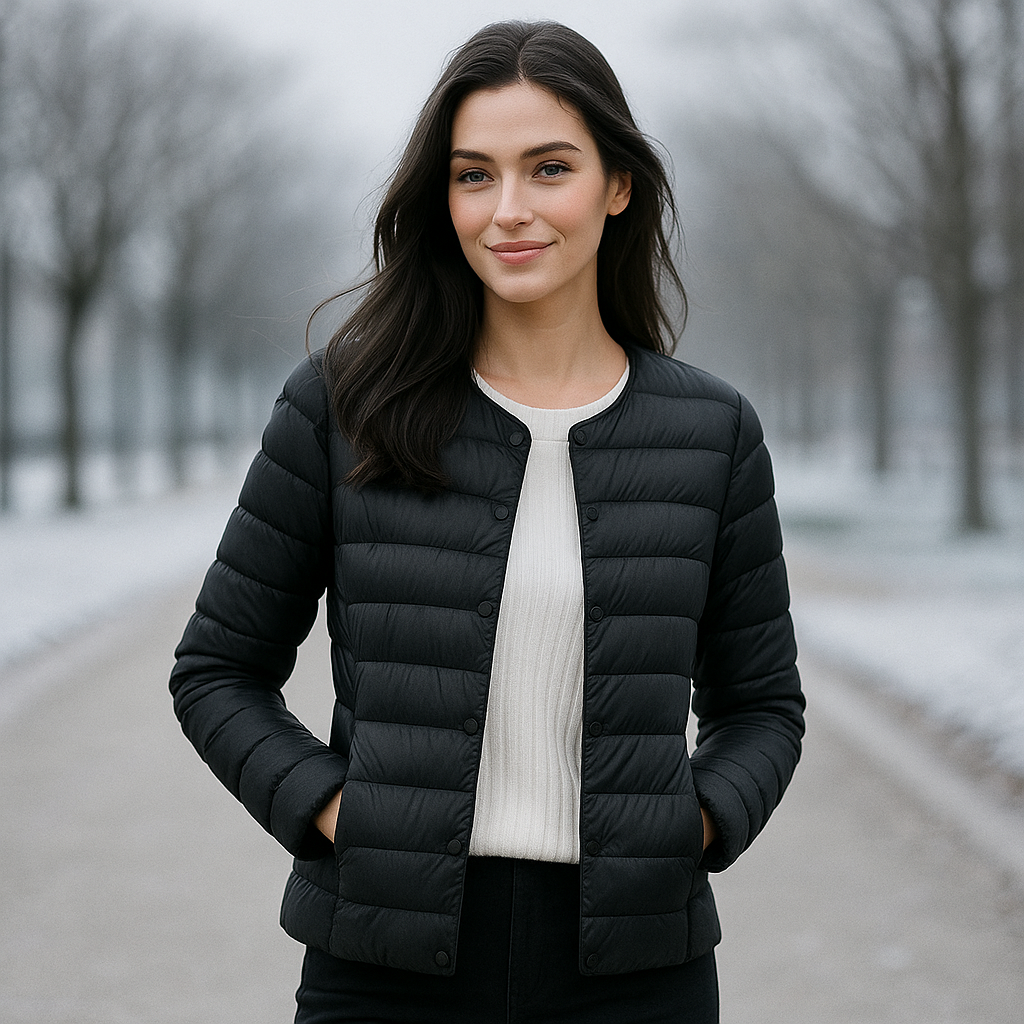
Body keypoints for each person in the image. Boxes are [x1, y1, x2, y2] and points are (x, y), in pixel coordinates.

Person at [170, 20, 804, 1024]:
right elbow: (216, 671)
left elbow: (762, 704)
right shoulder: (341, 406)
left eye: (548, 167)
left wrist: (692, 822)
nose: (507, 209)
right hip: (384, 964)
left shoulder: (711, 432)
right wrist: (336, 812)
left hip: (635, 967)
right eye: (473, 175)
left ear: (616, 184)